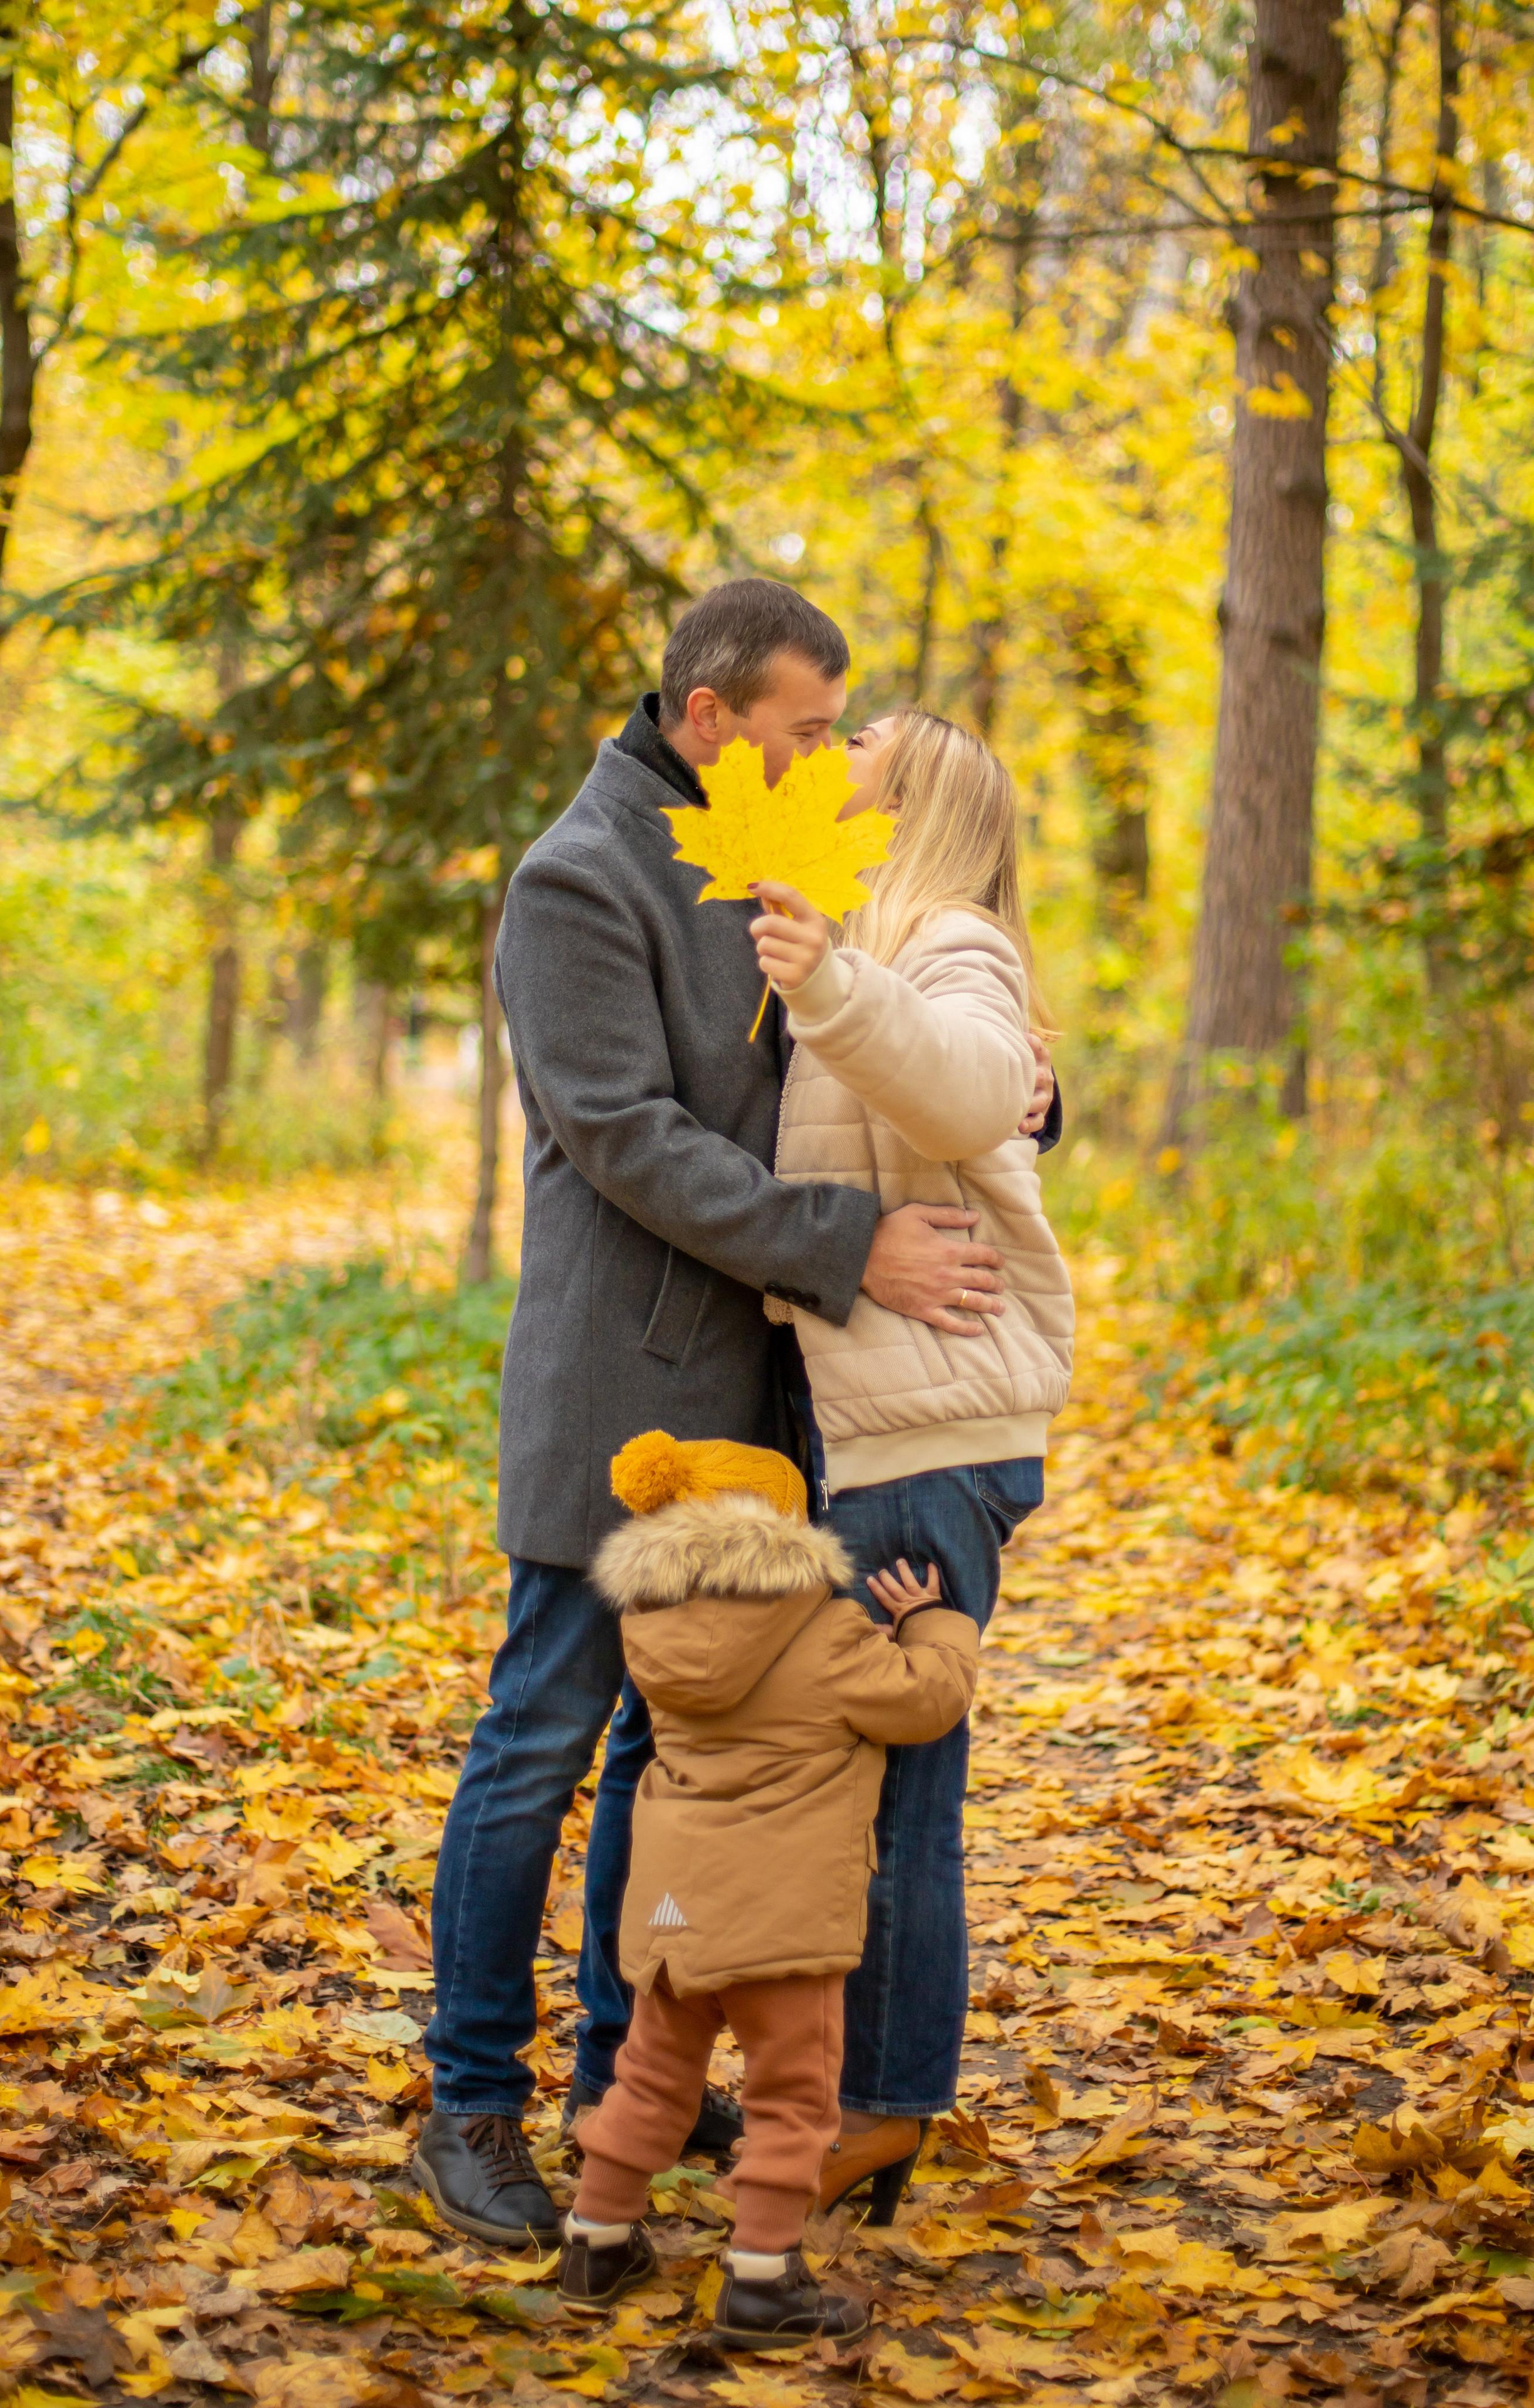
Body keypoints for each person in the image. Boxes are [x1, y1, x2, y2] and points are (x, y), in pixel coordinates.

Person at [416, 582, 1056, 2246]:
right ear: (709, 717)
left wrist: (1036, 1098)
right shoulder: (580, 881)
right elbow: (629, 1137)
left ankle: (620, 2075)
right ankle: (471, 2102)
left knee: (662, 1749)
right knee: (540, 1744)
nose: (826, 752)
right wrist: (855, 1244)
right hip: (623, 1393)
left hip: (777, 1407)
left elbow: (916, 1019)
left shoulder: (776, 842)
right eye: (802, 725)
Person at [747, 710, 1074, 2208]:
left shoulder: (944, 939)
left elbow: (956, 1086)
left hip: (931, 1440)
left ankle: (882, 2102)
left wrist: (834, 980)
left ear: (919, 791)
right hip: (882, 1417)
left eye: (863, 733)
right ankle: (859, 2093)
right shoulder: (876, 932)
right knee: (862, 1776)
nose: (838, 737)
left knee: (898, 1788)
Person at [557, 1428, 976, 2346]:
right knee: (792, 2099)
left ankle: (595, 2239)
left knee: (651, 2076)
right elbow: (926, 1701)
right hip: (782, 1918)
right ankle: (760, 2279)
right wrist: (937, 1624)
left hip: (673, 1911)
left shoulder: (651, 1629)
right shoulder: (827, 1633)